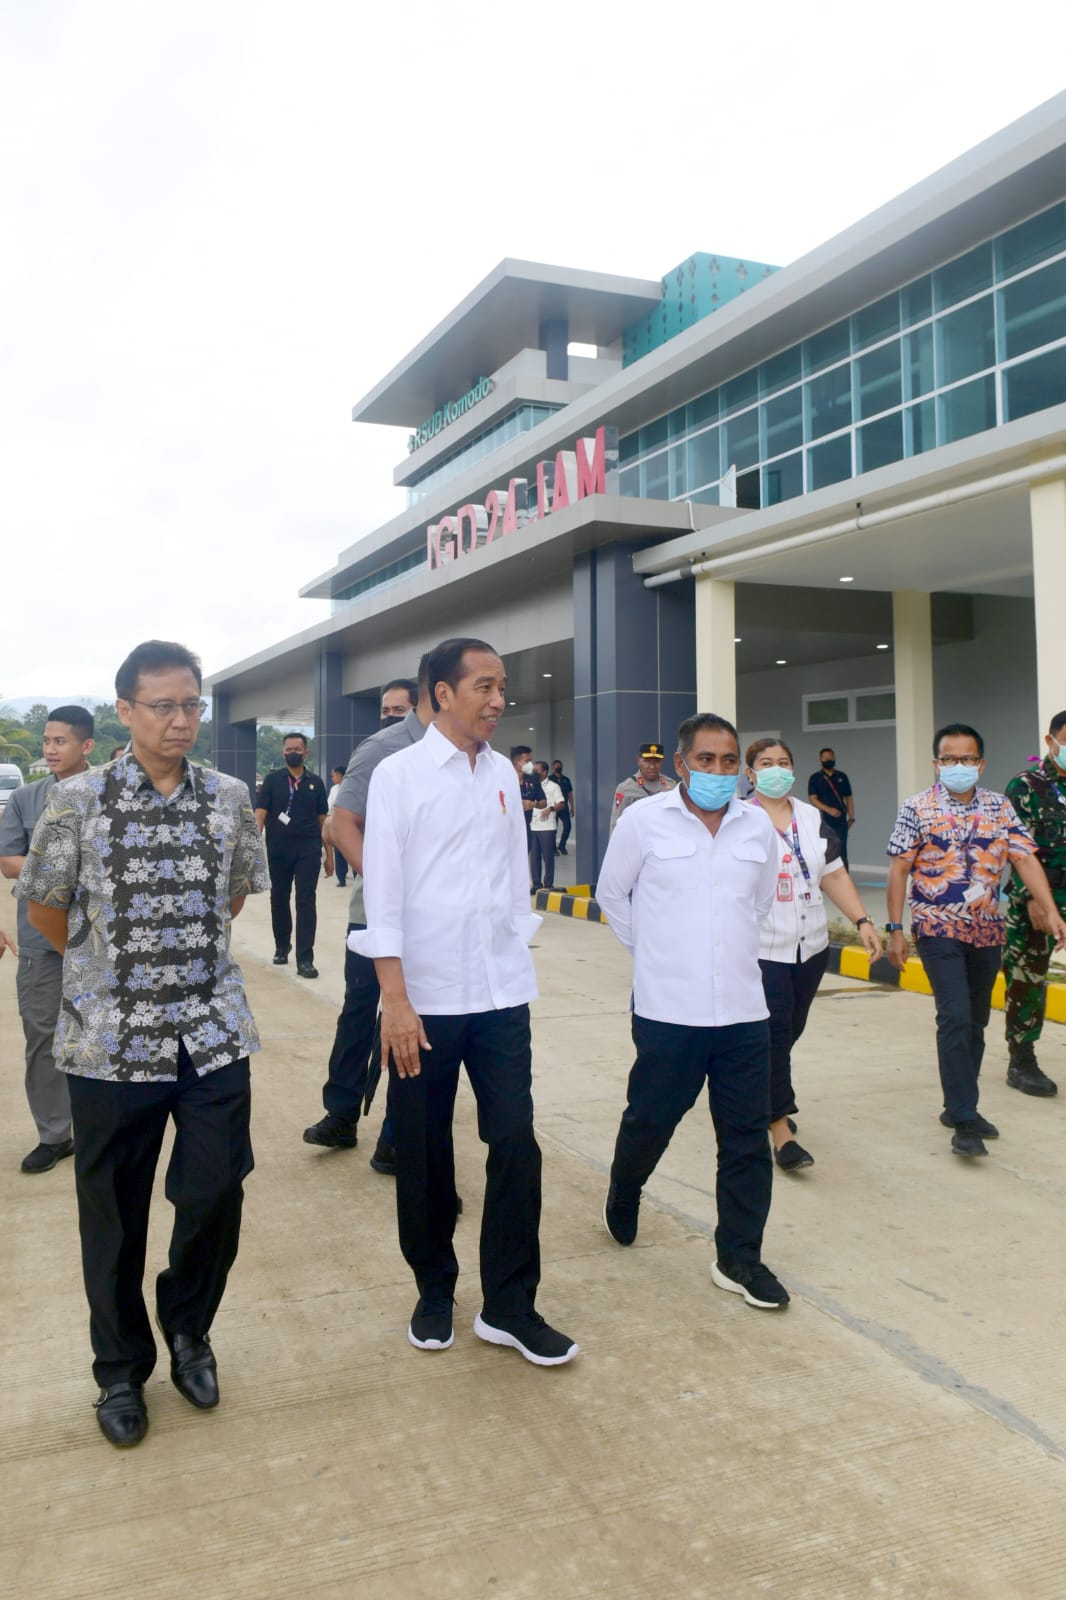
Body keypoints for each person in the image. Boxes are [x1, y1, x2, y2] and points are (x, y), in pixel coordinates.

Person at [15, 640, 269, 1448]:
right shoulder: (76, 801)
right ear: (124, 710)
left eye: (192, 704)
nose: (182, 720)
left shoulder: (228, 799)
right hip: (110, 1045)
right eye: (163, 705)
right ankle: (120, 1371)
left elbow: (230, 899)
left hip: (210, 1036)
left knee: (213, 1194)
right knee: (114, 1218)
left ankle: (188, 1329)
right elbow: (46, 909)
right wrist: (107, 970)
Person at [352, 637, 578, 1365]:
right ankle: (435, 1286)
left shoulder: (504, 778)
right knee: (422, 1149)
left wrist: (517, 941)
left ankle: (511, 1305)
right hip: (424, 998)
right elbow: (382, 890)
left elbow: (516, 875)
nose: (497, 699)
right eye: (483, 685)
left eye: (502, 685)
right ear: (441, 693)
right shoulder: (400, 774)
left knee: (514, 1139)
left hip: (500, 993)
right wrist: (394, 997)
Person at [596, 712, 790, 1311]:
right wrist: (655, 953)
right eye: (706, 760)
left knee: (745, 1140)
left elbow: (757, 905)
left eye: (730, 762)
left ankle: (739, 1257)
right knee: (650, 1120)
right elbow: (612, 895)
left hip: (741, 1012)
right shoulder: (643, 821)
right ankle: (625, 1187)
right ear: (682, 764)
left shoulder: (756, 828)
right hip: (667, 1011)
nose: (718, 771)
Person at [886, 722, 1066, 1159]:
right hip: (936, 926)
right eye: (949, 759)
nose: (959, 766)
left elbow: (1024, 859)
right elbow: (899, 869)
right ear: (936, 764)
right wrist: (895, 929)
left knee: (978, 1020)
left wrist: (1051, 908)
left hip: (987, 928)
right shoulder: (917, 807)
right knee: (955, 1015)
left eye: (967, 759)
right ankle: (964, 1116)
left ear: (980, 763)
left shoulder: (1000, 807)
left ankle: (960, 1104)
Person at [303, 673, 425, 1163]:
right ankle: (342, 1114)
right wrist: (383, 883)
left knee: (416, 1021)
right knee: (360, 1010)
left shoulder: (459, 752)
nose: (389, 717)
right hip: (373, 912)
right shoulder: (381, 750)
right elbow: (339, 824)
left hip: (430, 921)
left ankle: (397, 1135)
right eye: (386, 709)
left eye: (398, 709)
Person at [745, 738, 882, 1170]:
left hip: (811, 946)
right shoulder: (737, 819)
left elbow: (832, 873)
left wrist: (862, 920)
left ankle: (757, 1094)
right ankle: (781, 1129)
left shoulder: (811, 817)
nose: (776, 770)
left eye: (783, 762)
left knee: (791, 1029)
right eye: (765, 763)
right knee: (775, 1035)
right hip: (761, 948)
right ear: (750, 774)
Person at [0, 706, 95, 1174]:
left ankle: (99, 1127)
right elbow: (8, 861)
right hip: (40, 940)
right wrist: (70, 868)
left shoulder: (109, 795)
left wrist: (49, 866)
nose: (50, 749)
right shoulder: (26, 798)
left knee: (102, 1033)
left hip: (99, 938)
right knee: (43, 1037)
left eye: (60, 741)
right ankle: (54, 1135)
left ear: (86, 747)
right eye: (46, 741)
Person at [1002, 713, 1066, 1098]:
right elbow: (1017, 849)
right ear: (1051, 740)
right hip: (1039, 899)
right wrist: (1033, 901)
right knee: (1028, 979)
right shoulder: (1026, 786)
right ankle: (1021, 1057)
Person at [255, 733, 330, 977]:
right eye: (288, 749)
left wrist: (329, 853)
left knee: (306, 900)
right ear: (282, 753)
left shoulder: (316, 783)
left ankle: (305, 958)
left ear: (306, 752)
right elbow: (261, 813)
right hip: (278, 848)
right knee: (279, 898)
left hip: (308, 849)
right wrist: (254, 847)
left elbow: (323, 820)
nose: (292, 752)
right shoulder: (272, 780)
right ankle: (281, 945)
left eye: (297, 748)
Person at [608, 741, 676, 834]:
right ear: (638, 760)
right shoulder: (626, 788)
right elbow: (616, 824)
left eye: (656, 761)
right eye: (647, 761)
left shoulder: (672, 787)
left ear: (662, 762)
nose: (652, 766)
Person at [807, 747, 854, 870]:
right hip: (823, 819)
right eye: (825, 758)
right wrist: (829, 810)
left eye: (831, 757)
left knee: (842, 849)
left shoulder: (842, 776)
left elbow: (849, 798)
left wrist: (851, 817)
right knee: (825, 849)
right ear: (820, 760)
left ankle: (844, 879)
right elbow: (813, 799)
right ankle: (824, 880)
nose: (828, 759)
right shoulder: (815, 778)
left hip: (840, 820)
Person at [529, 760, 565, 891]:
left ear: (544, 772)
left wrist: (550, 808)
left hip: (547, 827)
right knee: (534, 859)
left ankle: (548, 885)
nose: (534, 773)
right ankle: (536, 885)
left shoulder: (553, 786)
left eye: (536, 770)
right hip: (533, 826)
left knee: (548, 858)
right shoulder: (531, 786)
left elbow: (562, 803)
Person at [511, 745, 545, 873]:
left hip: (525, 829)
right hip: (507, 828)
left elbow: (543, 802)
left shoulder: (533, 780)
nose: (531, 764)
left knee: (521, 862)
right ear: (517, 763)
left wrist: (533, 805)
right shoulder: (504, 778)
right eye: (527, 761)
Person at [326, 765, 349, 887]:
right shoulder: (334, 789)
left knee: (351, 851)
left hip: (350, 824)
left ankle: (357, 876)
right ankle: (342, 878)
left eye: (333, 775)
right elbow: (328, 805)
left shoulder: (350, 787)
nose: (332, 778)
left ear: (340, 775)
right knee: (339, 852)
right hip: (337, 823)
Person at [551, 759, 574, 855]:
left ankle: (562, 846)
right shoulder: (549, 779)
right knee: (553, 828)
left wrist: (572, 807)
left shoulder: (566, 779)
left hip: (564, 807)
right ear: (553, 768)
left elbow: (570, 794)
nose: (558, 767)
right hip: (553, 807)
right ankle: (553, 849)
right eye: (556, 766)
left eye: (559, 766)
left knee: (568, 826)